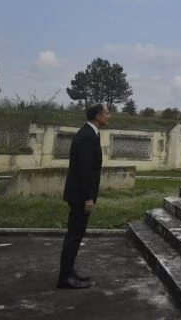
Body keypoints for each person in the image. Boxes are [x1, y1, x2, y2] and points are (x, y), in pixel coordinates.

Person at [57, 102, 108, 289]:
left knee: (75, 235)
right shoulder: (87, 136)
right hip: (80, 196)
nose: (109, 116)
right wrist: (88, 197)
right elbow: (84, 170)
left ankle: (69, 272)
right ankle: (65, 278)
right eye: (107, 113)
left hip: (79, 194)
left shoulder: (90, 133)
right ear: (97, 116)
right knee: (74, 236)